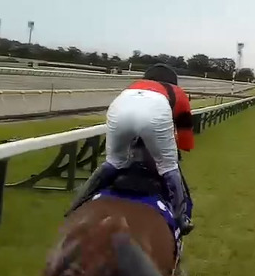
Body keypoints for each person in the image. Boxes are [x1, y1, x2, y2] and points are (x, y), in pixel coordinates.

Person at [66, 63, 196, 235]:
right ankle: (181, 219)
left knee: (114, 161)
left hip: (119, 107)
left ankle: (77, 204)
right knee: (168, 167)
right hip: (156, 115)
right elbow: (186, 142)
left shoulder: (135, 86)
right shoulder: (177, 92)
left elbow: (133, 121)